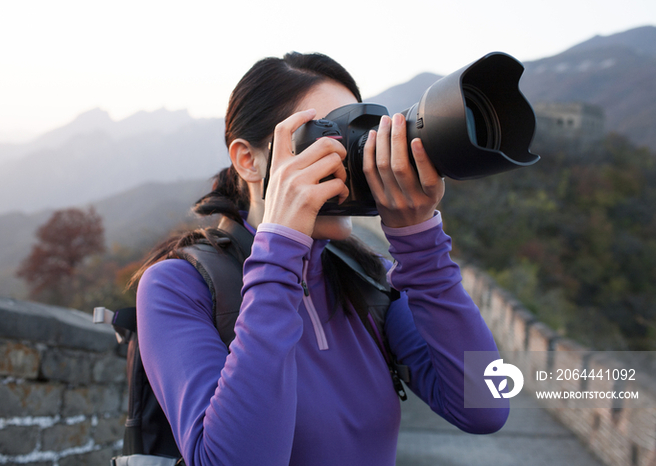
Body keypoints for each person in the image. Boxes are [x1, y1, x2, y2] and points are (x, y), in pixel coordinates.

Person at [134, 52, 509, 466]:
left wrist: (420, 243)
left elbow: (485, 405)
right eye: (328, 135)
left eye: (357, 135)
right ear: (248, 160)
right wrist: (280, 249)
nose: (351, 163)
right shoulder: (178, 286)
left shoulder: (368, 281)